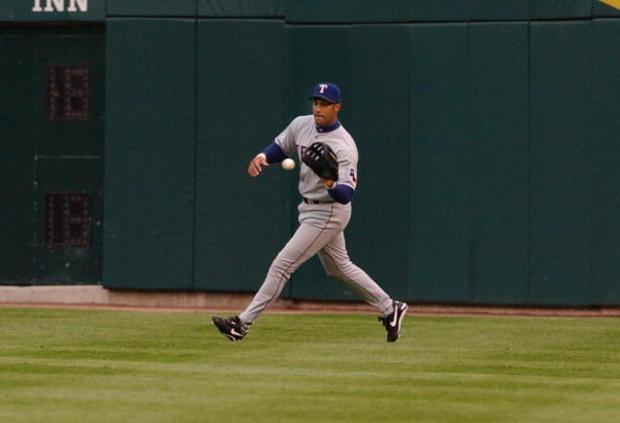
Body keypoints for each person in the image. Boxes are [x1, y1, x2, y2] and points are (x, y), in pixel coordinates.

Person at [212, 83, 408, 342]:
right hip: (309, 207)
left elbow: (346, 194)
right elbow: (281, 146)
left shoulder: (344, 146)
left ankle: (241, 324)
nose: (318, 108)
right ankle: (390, 307)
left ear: (337, 107)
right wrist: (262, 157)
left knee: (282, 265)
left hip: (329, 211)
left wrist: (329, 182)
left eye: (325, 104)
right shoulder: (302, 124)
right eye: (316, 102)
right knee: (339, 267)